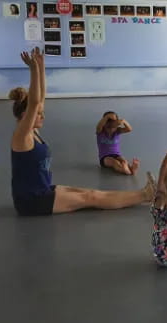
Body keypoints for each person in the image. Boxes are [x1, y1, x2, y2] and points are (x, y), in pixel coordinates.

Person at [9, 48, 154, 216]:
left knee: (91, 192)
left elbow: (39, 100)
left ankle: (144, 193)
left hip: (42, 190)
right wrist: (33, 70)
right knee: (91, 198)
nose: (43, 115)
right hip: (32, 201)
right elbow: (34, 103)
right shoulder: (22, 136)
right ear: (24, 115)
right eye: (38, 114)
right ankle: (146, 195)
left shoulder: (32, 131)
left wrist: (41, 66)